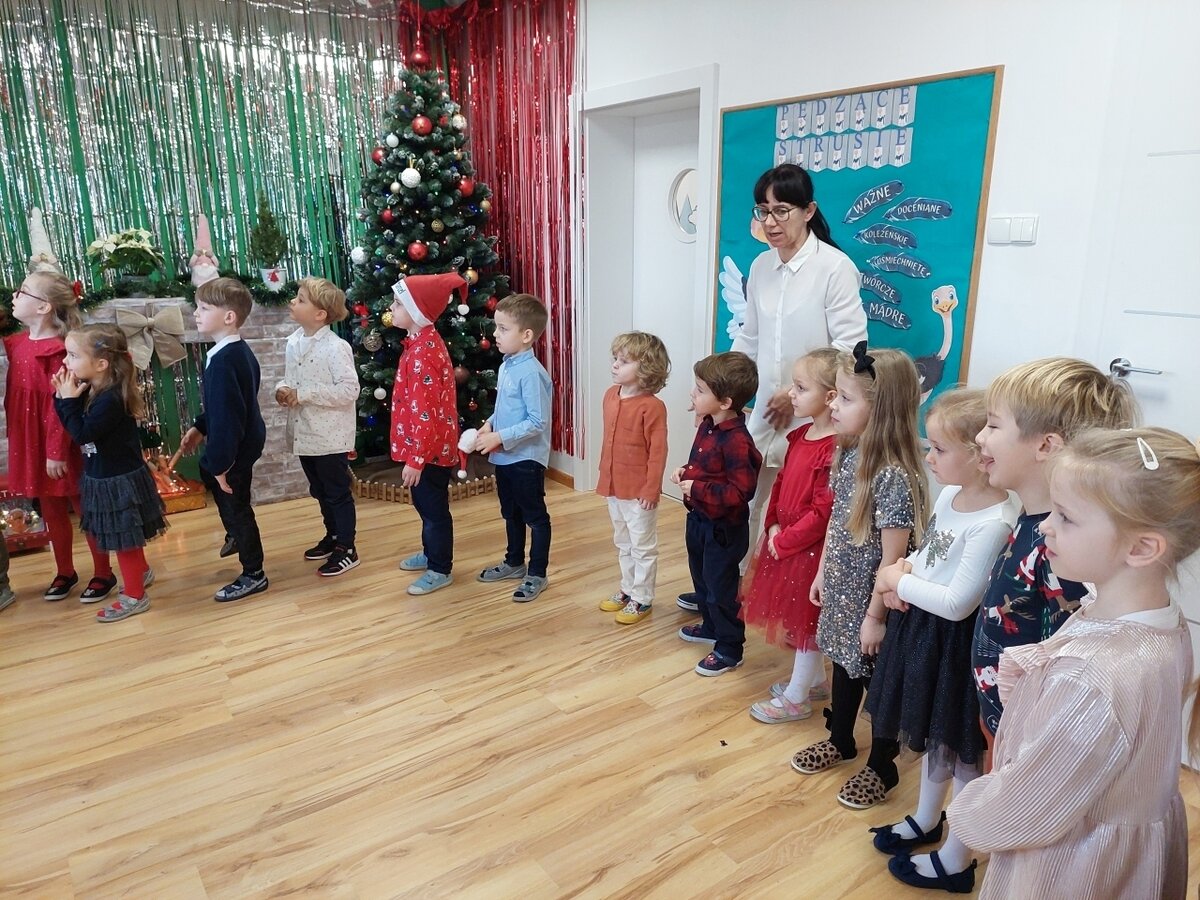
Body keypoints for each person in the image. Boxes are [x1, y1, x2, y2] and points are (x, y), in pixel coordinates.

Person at [948, 427, 1197, 900]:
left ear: (1141, 548)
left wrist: (966, 813)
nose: (1045, 526)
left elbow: (1022, 809)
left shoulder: (1093, 679)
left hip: (1074, 868)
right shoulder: (1164, 622)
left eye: (1065, 516)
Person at [862, 389, 1019, 893]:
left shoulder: (995, 522)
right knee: (934, 736)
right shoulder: (951, 494)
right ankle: (927, 818)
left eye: (938, 449)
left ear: (977, 455)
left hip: (955, 644)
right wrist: (905, 570)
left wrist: (893, 579)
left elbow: (958, 602)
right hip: (922, 629)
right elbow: (931, 553)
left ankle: (958, 856)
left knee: (962, 747)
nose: (928, 458)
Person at [970, 358, 1137, 758]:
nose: (979, 436)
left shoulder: (1063, 547)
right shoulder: (1032, 521)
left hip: (1028, 739)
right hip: (999, 718)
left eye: (993, 425)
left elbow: (1063, 661)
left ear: (1045, 445)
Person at [791, 343, 927, 811]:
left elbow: (894, 559)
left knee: (876, 680)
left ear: (881, 408)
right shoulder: (850, 454)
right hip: (843, 587)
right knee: (843, 663)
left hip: (874, 599)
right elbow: (836, 521)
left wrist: (875, 617)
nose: (833, 405)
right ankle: (841, 739)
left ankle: (882, 764)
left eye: (845, 398)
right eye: (834, 395)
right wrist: (823, 572)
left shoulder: (894, 475)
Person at [719, 163, 866, 596]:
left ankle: (779, 594)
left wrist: (796, 393)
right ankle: (732, 588)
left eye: (781, 210)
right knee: (745, 499)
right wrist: (726, 392)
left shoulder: (835, 268)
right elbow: (749, 336)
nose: (770, 222)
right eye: (763, 211)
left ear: (808, 211)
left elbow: (850, 349)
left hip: (815, 417)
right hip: (764, 409)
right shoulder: (761, 266)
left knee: (795, 510)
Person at [740, 347, 839, 721]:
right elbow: (780, 483)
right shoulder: (800, 435)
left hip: (807, 550)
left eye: (800, 387)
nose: (791, 394)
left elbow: (823, 511)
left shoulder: (835, 448)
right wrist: (772, 524)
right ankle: (815, 682)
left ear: (830, 396)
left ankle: (797, 697)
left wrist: (785, 539)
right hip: (785, 541)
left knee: (806, 624)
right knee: (798, 623)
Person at [2, 270, 109, 602]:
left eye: (22, 292)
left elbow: (60, 406)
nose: (14, 296)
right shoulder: (17, 343)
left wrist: (55, 451)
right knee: (50, 510)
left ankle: (103, 572)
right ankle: (65, 570)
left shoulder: (59, 351)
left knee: (84, 507)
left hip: (58, 442)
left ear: (44, 307)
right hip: (30, 439)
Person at [50, 325, 167, 622]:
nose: (66, 361)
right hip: (105, 476)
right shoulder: (93, 389)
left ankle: (135, 596)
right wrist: (64, 398)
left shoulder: (110, 400)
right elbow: (76, 425)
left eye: (73, 355)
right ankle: (140, 573)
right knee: (126, 536)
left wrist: (67, 401)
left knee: (124, 541)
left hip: (117, 481)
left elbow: (82, 434)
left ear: (101, 364)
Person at [178, 278, 268, 602]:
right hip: (238, 442)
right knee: (216, 484)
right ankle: (234, 534)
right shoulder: (230, 353)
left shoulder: (226, 360)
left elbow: (229, 418)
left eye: (204, 308)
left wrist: (221, 465)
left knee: (237, 506)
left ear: (229, 317)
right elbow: (222, 405)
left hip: (236, 449)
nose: (196, 313)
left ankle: (254, 573)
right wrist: (201, 427)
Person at [672, 351, 761, 676]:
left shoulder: (738, 442)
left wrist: (697, 488)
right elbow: (706, 468)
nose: (692, 394)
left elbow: (740, 494)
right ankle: (710, 627)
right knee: (702, 578)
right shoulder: (708, 426)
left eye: (699, 390)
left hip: (723, 529)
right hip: (699, 519)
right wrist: (686, 472)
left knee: (721, 590)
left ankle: (729, 648)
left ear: (724, 402)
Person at [275, 277, 360, 577]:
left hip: (329, 436)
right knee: (320, 490)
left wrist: (305, 394)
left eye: (300, 300)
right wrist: (283, 389)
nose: (292, 302)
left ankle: (347, 547)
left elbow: (349, 390)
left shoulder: (336, 348)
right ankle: (333, 535)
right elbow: (291, 380)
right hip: (305, 434)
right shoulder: (293, 342)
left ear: (320, 314)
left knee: (336, 492)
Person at [475, 294, 553, 603]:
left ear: (526, 335)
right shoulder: (507, 364)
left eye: (503, 328)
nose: (495, 334)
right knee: (511, 513)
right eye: (497, 327)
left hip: (526, 460)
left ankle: (537, 573)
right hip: (506, 457)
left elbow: (537, 421)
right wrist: (489, 424)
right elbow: (506, 408)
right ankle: (514, 562)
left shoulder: (531, 373)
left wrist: (499, 437)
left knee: (535, 517)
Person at [389, 272, 464, 595]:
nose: (391, 308)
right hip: (424, 447)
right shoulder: (419, 343)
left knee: (433, 510)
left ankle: (440, 567)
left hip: (429, 451)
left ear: (416, 311)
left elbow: (427, 413)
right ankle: (431, 552)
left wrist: (416, 458)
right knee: (425, 506)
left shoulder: (424, 353)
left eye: (397, 303)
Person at [595, 332, 670, 625]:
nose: (615, 364)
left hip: (639, 492)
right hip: (613, 486)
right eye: (615, 358)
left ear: (646, 368)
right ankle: (628, 589)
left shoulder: (652, 407)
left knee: (642, 546)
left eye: (624, 361)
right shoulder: (609, 396)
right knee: (623, 542)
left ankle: (643, 597)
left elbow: (658, 452)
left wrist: (652, 490)